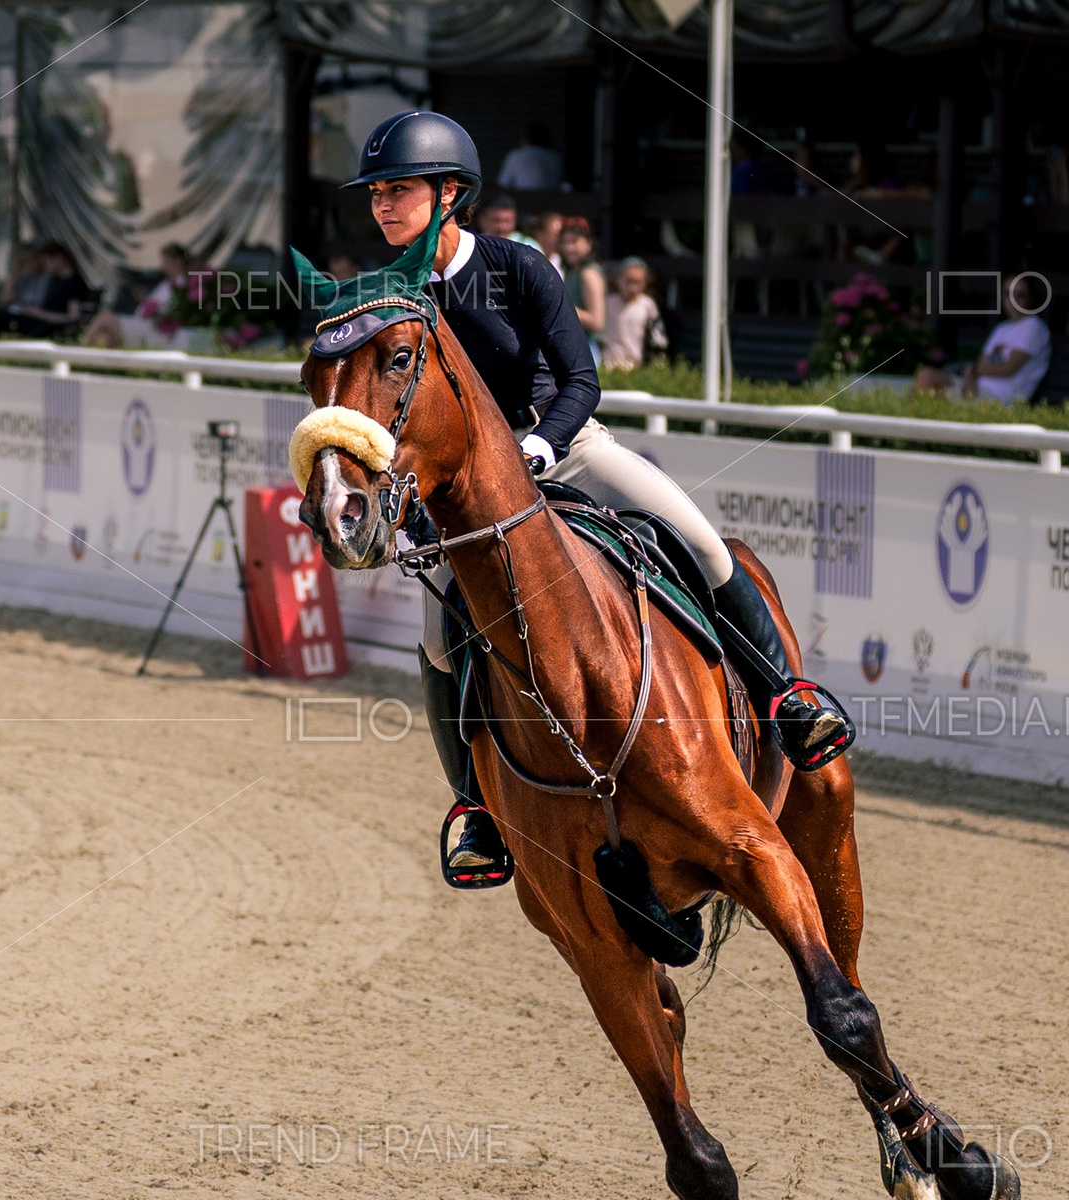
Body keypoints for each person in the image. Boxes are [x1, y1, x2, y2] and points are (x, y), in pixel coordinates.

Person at [334, 110, 850, 889]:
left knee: (704, 544)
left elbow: (583, 380)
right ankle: (473, 807)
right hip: (470, 497)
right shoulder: (385, 300)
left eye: (398, 189)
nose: (381, 204)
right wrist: (396, 502)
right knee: (442, 637)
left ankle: (790, 701)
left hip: (568, 450)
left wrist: (538, 446)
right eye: (376, 192)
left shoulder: (518, 267)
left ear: (450, 194)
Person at [914, 279, 1050, 403]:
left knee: (933, 396)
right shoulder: (1002, 328)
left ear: (1031, 298)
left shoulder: (1033, 326)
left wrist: (973, 372)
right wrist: (971, 378)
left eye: (1020, 294)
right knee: (926, 376)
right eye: (1007, 294)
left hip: (999, 397)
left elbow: (1008, 368)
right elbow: (982, 361)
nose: (1012, 299)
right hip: (979, 387)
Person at [82, 242, 193, 349]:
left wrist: (148, 305)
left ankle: (81, 348)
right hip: (144, 321)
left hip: (151, 327)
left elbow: (167, 309)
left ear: (178, 261)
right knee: (104, 334)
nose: (162, 266)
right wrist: (143, 298)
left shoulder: (181, 283)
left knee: (104, 318)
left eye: (165, 261)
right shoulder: (169, 282)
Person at [0, 243, 93, 338]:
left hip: (49, 324)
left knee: (1, 319)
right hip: (40, 320)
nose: (46, 266)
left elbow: (73, 316)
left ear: (59, 258)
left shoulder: (73, 283)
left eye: (47, 261)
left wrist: (40, 314)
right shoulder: (54, 280)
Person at [556, 217, 607, 368]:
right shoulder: (571, 271)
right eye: (564, 242)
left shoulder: (589, 273)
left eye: (574, 242)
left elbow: (597, 321)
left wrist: (559, 307)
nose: (568, 248)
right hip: (574, 348)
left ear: (589, 243)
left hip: (588, 350)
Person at [601, 257, 664, 370]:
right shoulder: (608, 303)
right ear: (618, 280)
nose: (633, 287)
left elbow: (657, 338)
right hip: (609, 365)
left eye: (638, 283)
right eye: (629, 281)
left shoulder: (648, 306)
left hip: (636, 366)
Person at [496, 122, 563, 192]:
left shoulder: (515, 156)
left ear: (524, 139)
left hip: (522, 200)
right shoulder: (556, 157)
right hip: (552, 201)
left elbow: (502, 185)